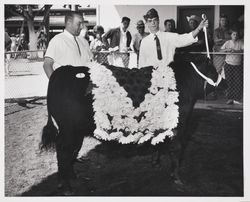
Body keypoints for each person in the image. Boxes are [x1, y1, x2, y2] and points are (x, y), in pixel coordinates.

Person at [139, 8, 208, 68]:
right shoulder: (144, 42)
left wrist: (199, 27)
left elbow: (187, 38)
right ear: (147, 23)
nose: (153, 23)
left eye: (155, 20)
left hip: (168, 74)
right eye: (150, 21)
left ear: (158, 21)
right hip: (151, 76)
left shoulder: (169, 36)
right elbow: (141, 63)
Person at [43, 11, 93, 79]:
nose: (82, 27)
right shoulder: (57, 40)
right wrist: (55, 85)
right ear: (69, 23)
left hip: (85, 86)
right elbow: (47, 65)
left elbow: (90, 62)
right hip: (66, 86)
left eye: (83, 23)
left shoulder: (84, 42)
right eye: (79, 23)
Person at [220, 28, 243, 104]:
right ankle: (230, 98)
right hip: (228, 64)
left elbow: (245, 50)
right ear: (231, 35)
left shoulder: (240, 42)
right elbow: (221, 50)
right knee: (229, 81)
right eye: (234, 34)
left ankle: (236, 99)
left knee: (238, 81)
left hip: (237, 64)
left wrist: (235, 51)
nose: (235, 36)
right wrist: (227, 50)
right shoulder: (227, 42)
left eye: (236, 34)